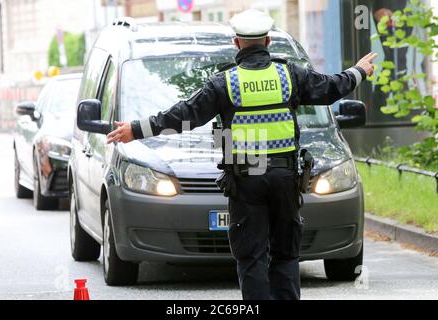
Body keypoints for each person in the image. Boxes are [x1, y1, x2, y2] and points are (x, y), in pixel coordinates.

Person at [106, 9, 376, 300]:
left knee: (252, 255)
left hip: (247, 177)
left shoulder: (224, 83)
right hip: (285, 176)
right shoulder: (289, 75)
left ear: (237, 43)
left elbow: (185, 115)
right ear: (268, 41)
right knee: (285, 254)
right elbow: (331, 88)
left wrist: (137, 128)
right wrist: (358, 71)